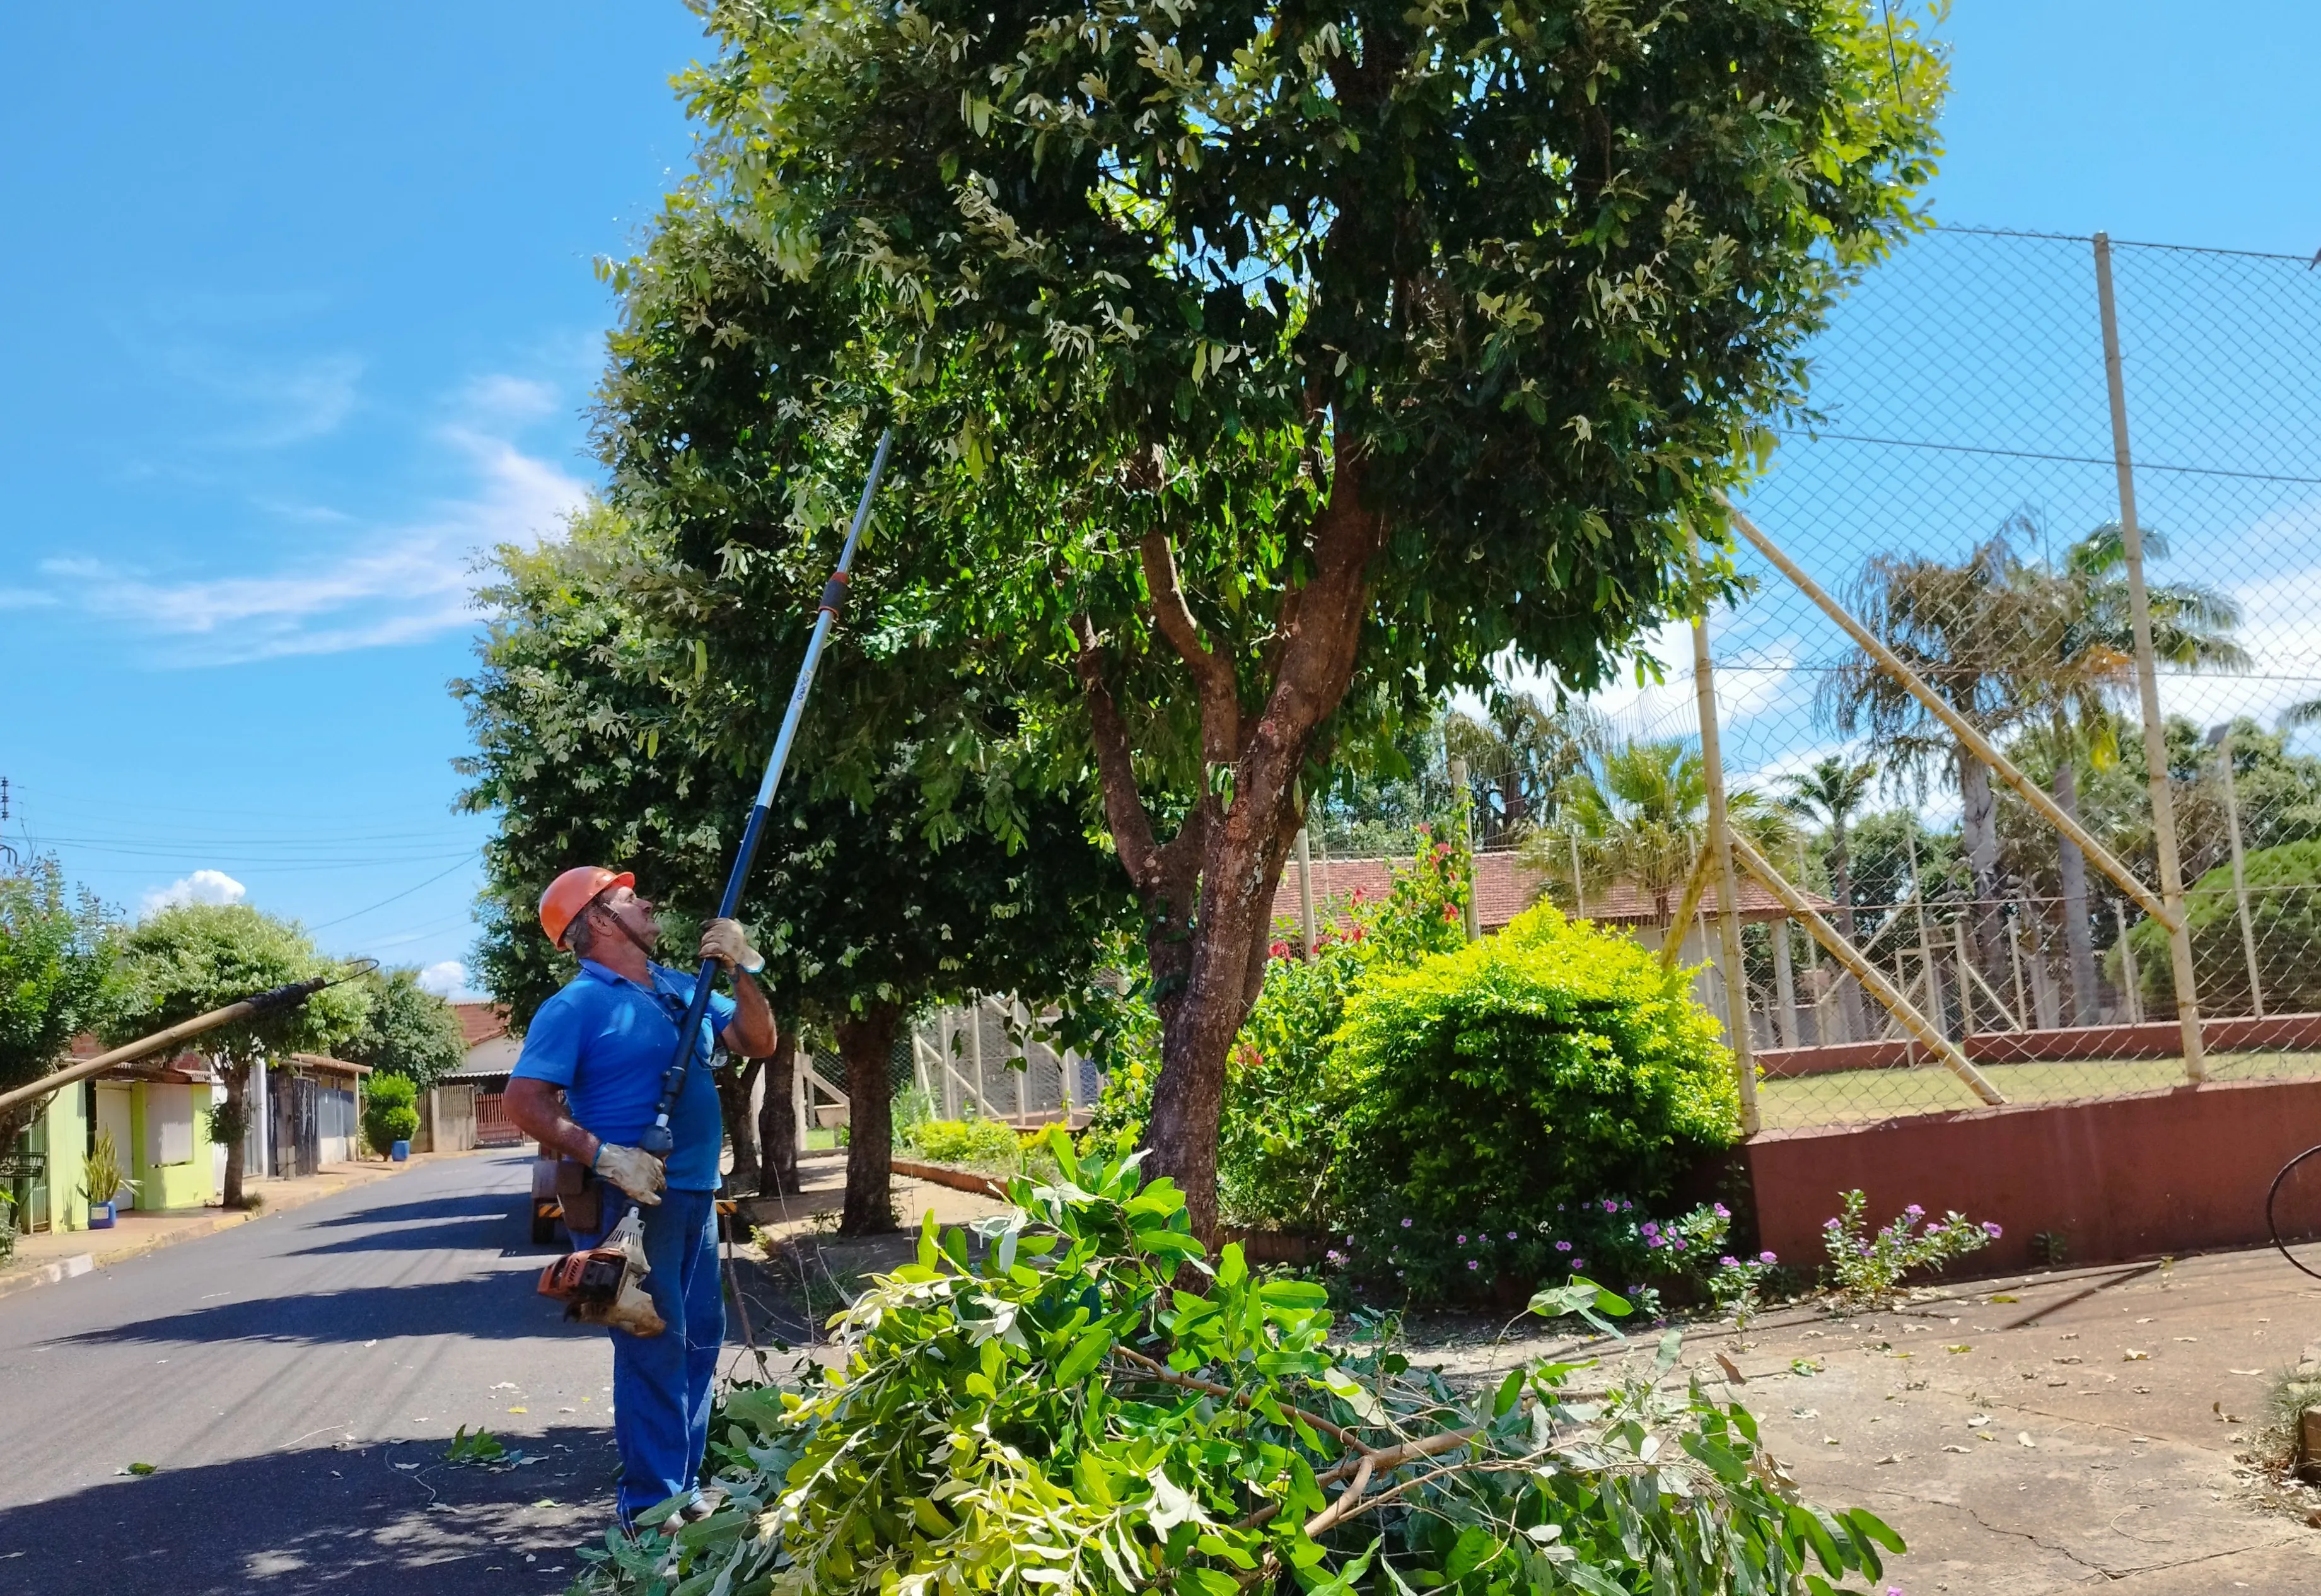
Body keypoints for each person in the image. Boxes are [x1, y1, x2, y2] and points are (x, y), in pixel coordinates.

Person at [504, 865, 776, 1530]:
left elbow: (758, 1040)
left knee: (700, 1338)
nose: (649, 902)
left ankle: (684, 1486)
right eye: (630, 898)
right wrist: (604, 1155)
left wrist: (743, 966)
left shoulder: (685, 988)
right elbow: (523, 1101)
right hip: (631, 1200)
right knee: (655, 1340)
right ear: (597, 920)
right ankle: (652, 1507)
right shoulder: (576, 1006)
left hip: (693, 1190)